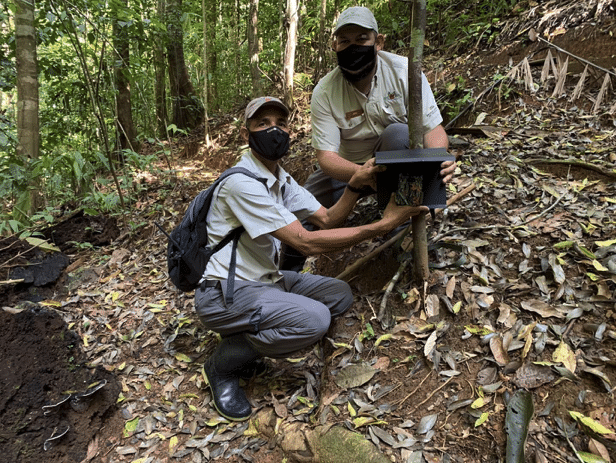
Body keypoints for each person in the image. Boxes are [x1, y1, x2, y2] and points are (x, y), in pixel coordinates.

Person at [196, 96, 426, 421]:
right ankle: (224, 362)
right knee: (315, 319)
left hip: (265, 281)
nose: (274, 130)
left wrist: (355, 185)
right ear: (246, 133)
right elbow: (307, 243)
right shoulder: (241, 184)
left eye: (280, 123)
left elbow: (328, 219)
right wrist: (384, 224)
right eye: (263, 124)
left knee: (338, 295)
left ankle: (252, 328)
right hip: (224, 292)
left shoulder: (280, 179)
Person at [280, 6, 457, 271]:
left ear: (379, 41)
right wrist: (361, 175)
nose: (353, 47)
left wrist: (436, 163)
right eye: (345, 41)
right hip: (349, 167)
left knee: (397, 133)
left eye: (361, 39)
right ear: (335, 46)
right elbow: (327, 158)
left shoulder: (404, 72)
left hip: (398, 159)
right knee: (300, 208)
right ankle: (287, 276)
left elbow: (433, 130)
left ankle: (403, 234)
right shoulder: (326, 91)